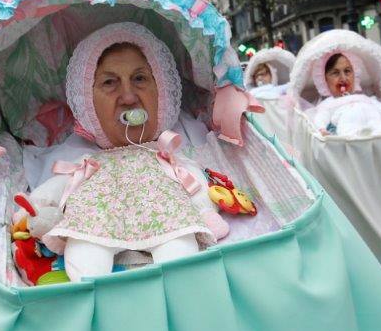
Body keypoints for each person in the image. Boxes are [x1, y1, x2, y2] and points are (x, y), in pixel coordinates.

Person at [19, 23, 227, 282]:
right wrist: (33, 211)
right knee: (88, 263)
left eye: (139, 78)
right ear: (87, 101)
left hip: (167, 222)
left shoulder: (174, 152)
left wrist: (205, 211)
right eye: (109, 82)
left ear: (160, 90)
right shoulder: (81, 161)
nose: (128, 96)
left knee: (180, 263)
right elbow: (54, 190)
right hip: (97, 226)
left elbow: (193, 181)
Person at [309, 52, 381, 136]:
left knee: (380, 125)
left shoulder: (363, 97)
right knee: (348, 130)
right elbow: (321, 117)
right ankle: (358, 136)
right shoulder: (328, 104)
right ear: (325, 80)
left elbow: (380, 107)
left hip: (375, 123)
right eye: (336, 73)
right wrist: (321, 129)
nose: (343, 78)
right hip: (350, 129)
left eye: (347, 71)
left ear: (354, 75)